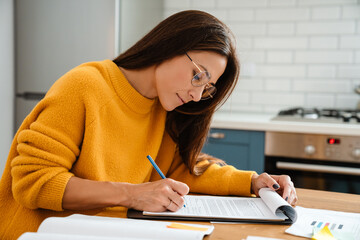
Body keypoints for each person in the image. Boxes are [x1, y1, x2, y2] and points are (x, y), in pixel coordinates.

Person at [0, 10, 297, 239]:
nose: (196, 95)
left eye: (206, 88)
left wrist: (253, 182)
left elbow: (181, 169)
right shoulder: (84, 87)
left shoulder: (164, 106)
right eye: (198, 76)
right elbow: (32, 183)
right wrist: (131, 193)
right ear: (170, 46)